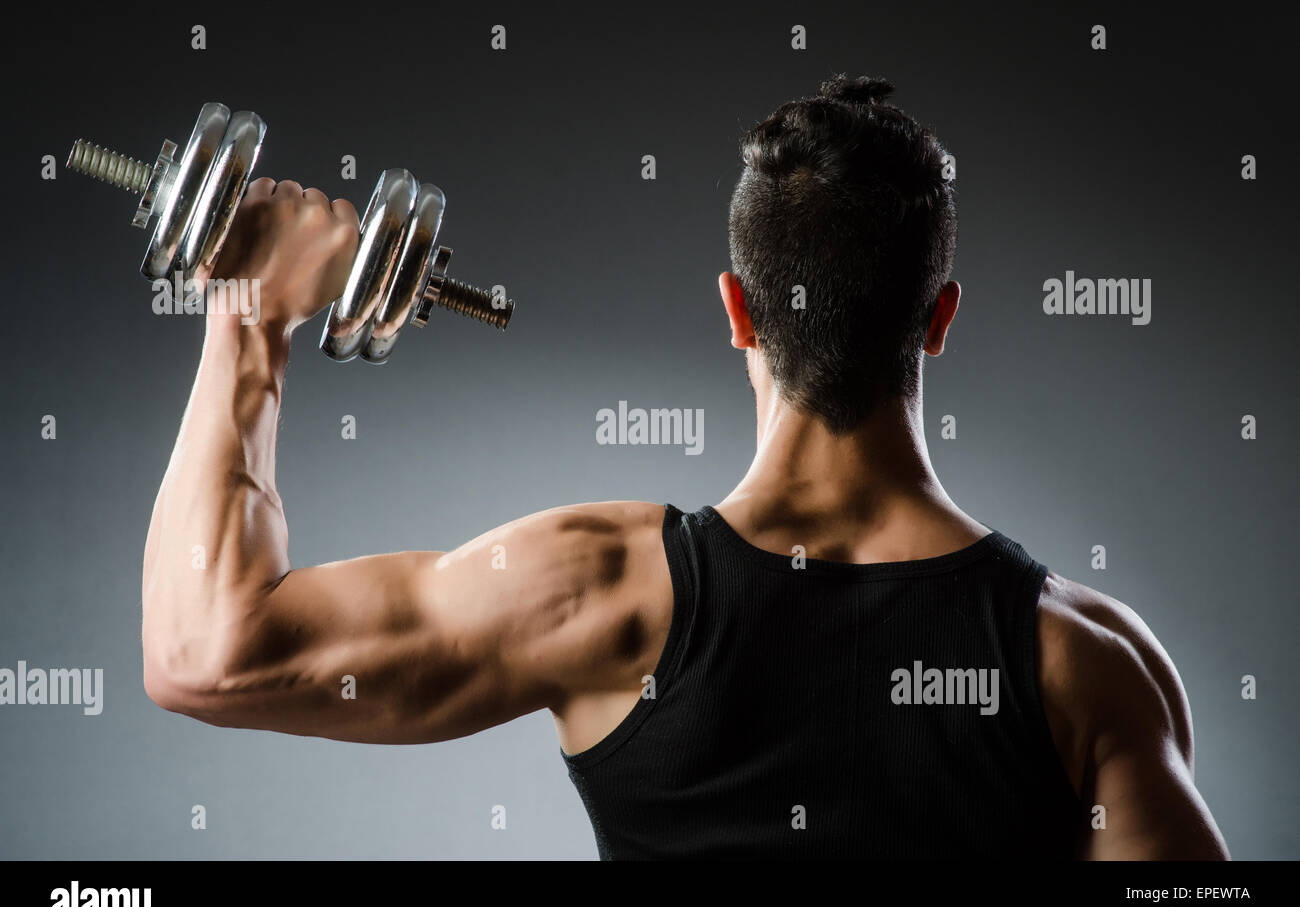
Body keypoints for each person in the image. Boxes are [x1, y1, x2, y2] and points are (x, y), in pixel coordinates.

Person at [141, 75, 1229, 859]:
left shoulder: (606, 587)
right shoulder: (1091, 664)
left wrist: (249, 317)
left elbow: (204, 654)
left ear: (736, 309)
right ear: (937, 320)